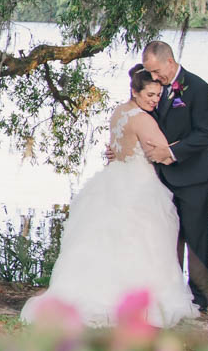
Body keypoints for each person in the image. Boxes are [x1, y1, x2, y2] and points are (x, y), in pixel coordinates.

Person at [20, 65, 198, 328]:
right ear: (135, 91)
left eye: (158, 96)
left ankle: (100, 292)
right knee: (143, 242)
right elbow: (161, 152)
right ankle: (136, 299)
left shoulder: (119, 112)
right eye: (150, 95)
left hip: (114, 177)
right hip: (139, 184)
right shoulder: (144, 119)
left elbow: (122, 144)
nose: (154, 100)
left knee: (109, 242)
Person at [140, 39, 208, 312]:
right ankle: (171, 293)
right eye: (149, 73)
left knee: (197, 238)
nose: (153, 78)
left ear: (170, 62)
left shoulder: (198, 89)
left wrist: (171, 152)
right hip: (163, 178)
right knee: (168, 236)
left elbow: (205, 134)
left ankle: (201, 298)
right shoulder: (154, 90)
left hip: (194, 175)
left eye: (155, 71)